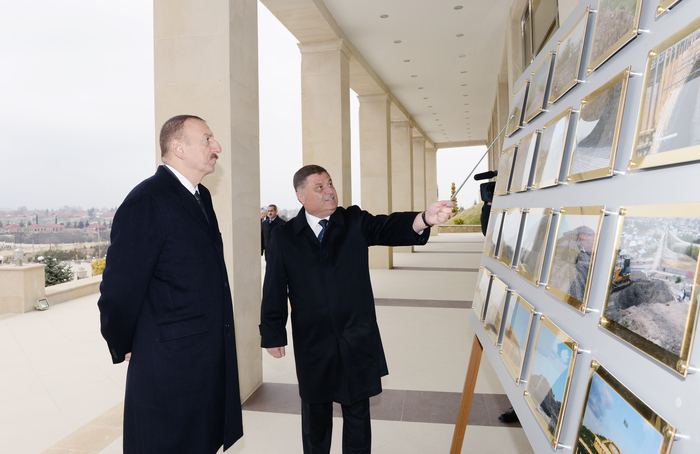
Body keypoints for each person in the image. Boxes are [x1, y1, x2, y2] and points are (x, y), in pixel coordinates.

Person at [259, 164, 453, 453]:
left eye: (330, 183)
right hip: (314, 343)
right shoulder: (285, 237)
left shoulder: (353, 221)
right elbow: (274, 288)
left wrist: (424, 218)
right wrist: (273, 333)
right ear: (301, 196)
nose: (330, 191)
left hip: (356, 338)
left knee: (358, 415)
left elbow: (386, 226)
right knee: (316, 417)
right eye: (319, 187)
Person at [97, 115, 243, 453]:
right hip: (169, 371)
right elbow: (118, 291)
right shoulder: (147, 201)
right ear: (178, 148)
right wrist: (125, 341)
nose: (217, 147)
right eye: (207, 139)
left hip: (204, 366)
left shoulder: (201, 197)